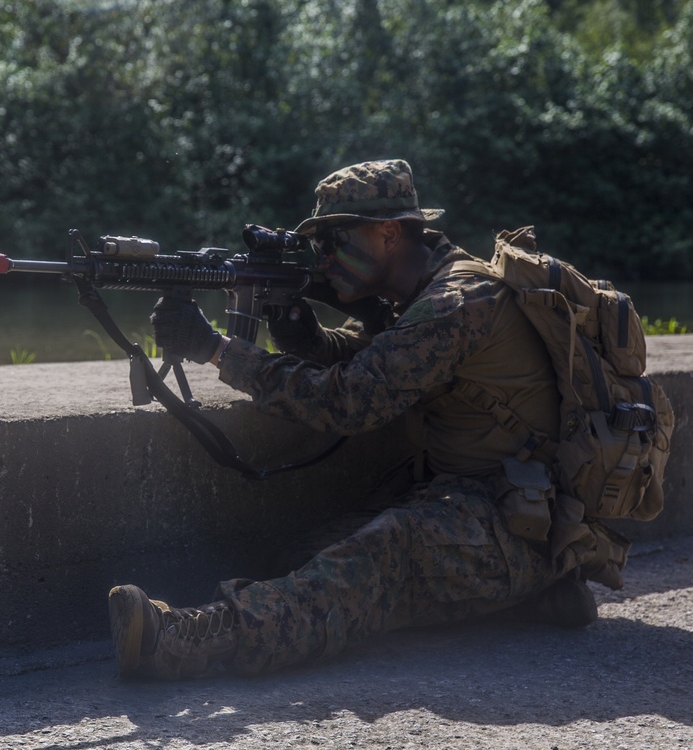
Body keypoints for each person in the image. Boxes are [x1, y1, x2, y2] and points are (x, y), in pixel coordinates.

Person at [107, 159, 600, 681]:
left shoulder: (456, 302)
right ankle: (531, 597)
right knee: (299, 555)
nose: (323, 258)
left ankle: (184, 638)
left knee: (382, 553)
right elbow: (375, 357)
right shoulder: (416, 293)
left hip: (521, 525)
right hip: (478, 502)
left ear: (388, 234)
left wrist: (215, 349)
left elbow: (350, 401)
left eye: (335, 240)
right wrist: (308, 339)